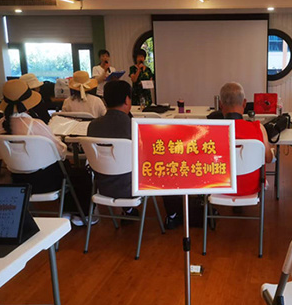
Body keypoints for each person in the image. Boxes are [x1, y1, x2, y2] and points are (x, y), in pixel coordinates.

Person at [162, 82, 273, 229]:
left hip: (218, 188)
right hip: (251, 188)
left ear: (220, 105)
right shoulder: (258, 128)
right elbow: (268, 159)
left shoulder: (210, 131)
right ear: (244, 103)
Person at [0, 79, 68, 192]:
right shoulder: (35, 124)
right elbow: (59, 152)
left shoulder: (0, 124)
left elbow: (0, 154)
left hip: (17, 180)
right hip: (46, 181)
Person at [87, 80, 137, 207]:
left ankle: (128, 210)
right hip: (132, 187)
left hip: (102, 186)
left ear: (104, 101)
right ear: (127, 100)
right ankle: (173, 214)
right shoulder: (133, 126)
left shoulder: (93, 126)